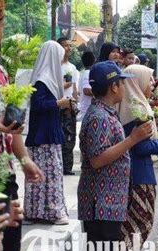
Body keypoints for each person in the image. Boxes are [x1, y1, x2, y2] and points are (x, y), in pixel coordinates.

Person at [77, 61, 153, 251]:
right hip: (102, 204)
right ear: (113, 87)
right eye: (122, 83)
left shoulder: (106, 113)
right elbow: (97, 159)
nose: (124, 88)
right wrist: (133, 139)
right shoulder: (99, 118)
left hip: (109, 202)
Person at [118, 64, 158, 250]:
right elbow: (140, 147)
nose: (153, 83)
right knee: (140, 224)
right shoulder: (138, 110)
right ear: (138, 81)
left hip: (130, 173)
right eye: (149, 79)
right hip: (139, 175)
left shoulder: (126, 105)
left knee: (130, 226)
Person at [0, 64, 44, 251]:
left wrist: (25, 160)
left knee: (10, 242)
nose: (3, 30)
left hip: (4, 173)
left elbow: (11, 122)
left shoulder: (1, 73)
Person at [24, 41, 72, 226]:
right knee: (48, 175)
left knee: (45, 175)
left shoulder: (47, 79)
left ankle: (38, 212)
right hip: (43, 135)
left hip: (47, 132)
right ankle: (51, 213)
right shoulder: (42, 80)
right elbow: (38, 105)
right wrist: (60, 103)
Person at [57, 37, 79, 175]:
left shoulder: (72, 67)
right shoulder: (55, 67)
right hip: (57, 105)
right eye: (65, 46)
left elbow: (75, 89)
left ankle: (67, 167)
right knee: (59, 136)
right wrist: (64, 85)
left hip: (70, 107)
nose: (68, 49)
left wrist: (75, 103)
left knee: (70, 136)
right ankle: (58, 165)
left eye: (70, 46)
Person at [77, 51, 95, 121]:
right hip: (86, 110)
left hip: (84, 109)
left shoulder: (83, 73)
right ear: (94, 60)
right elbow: (86, 90)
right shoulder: (88, 73)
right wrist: (101, 93)